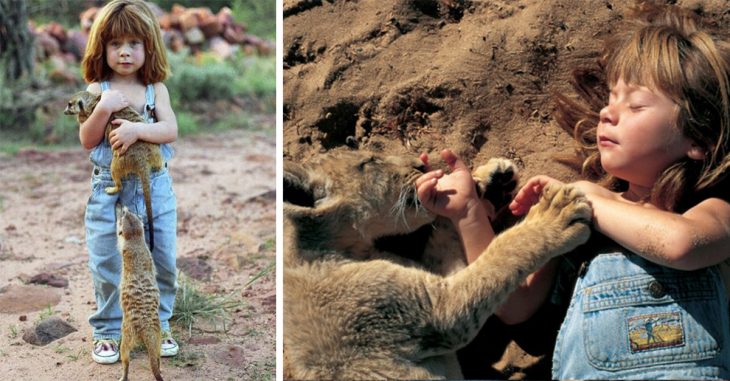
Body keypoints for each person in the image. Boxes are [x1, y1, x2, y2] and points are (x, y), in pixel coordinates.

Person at [417, 1, 730, 379]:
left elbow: (681, 244)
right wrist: (467, 211)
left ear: (698, 137)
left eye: (635, 105)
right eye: (610, 98)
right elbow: (514, 304)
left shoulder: (711, 209)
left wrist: (588, 198)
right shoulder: (574, 218)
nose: (606, 113)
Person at [79, 0, 179, 364]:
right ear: (101, 48)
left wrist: (138, 129)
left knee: (162, 256)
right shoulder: (96, 90)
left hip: (155, 185)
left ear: (148, 46)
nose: (124, 51)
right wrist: (103, 108)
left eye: (134, 43)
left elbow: (170, 130)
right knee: (107, 260)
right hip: (109, 189)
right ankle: (107, 329)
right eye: (116, 43)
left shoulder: (155, 89)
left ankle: (159, 322)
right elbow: (88, 140)